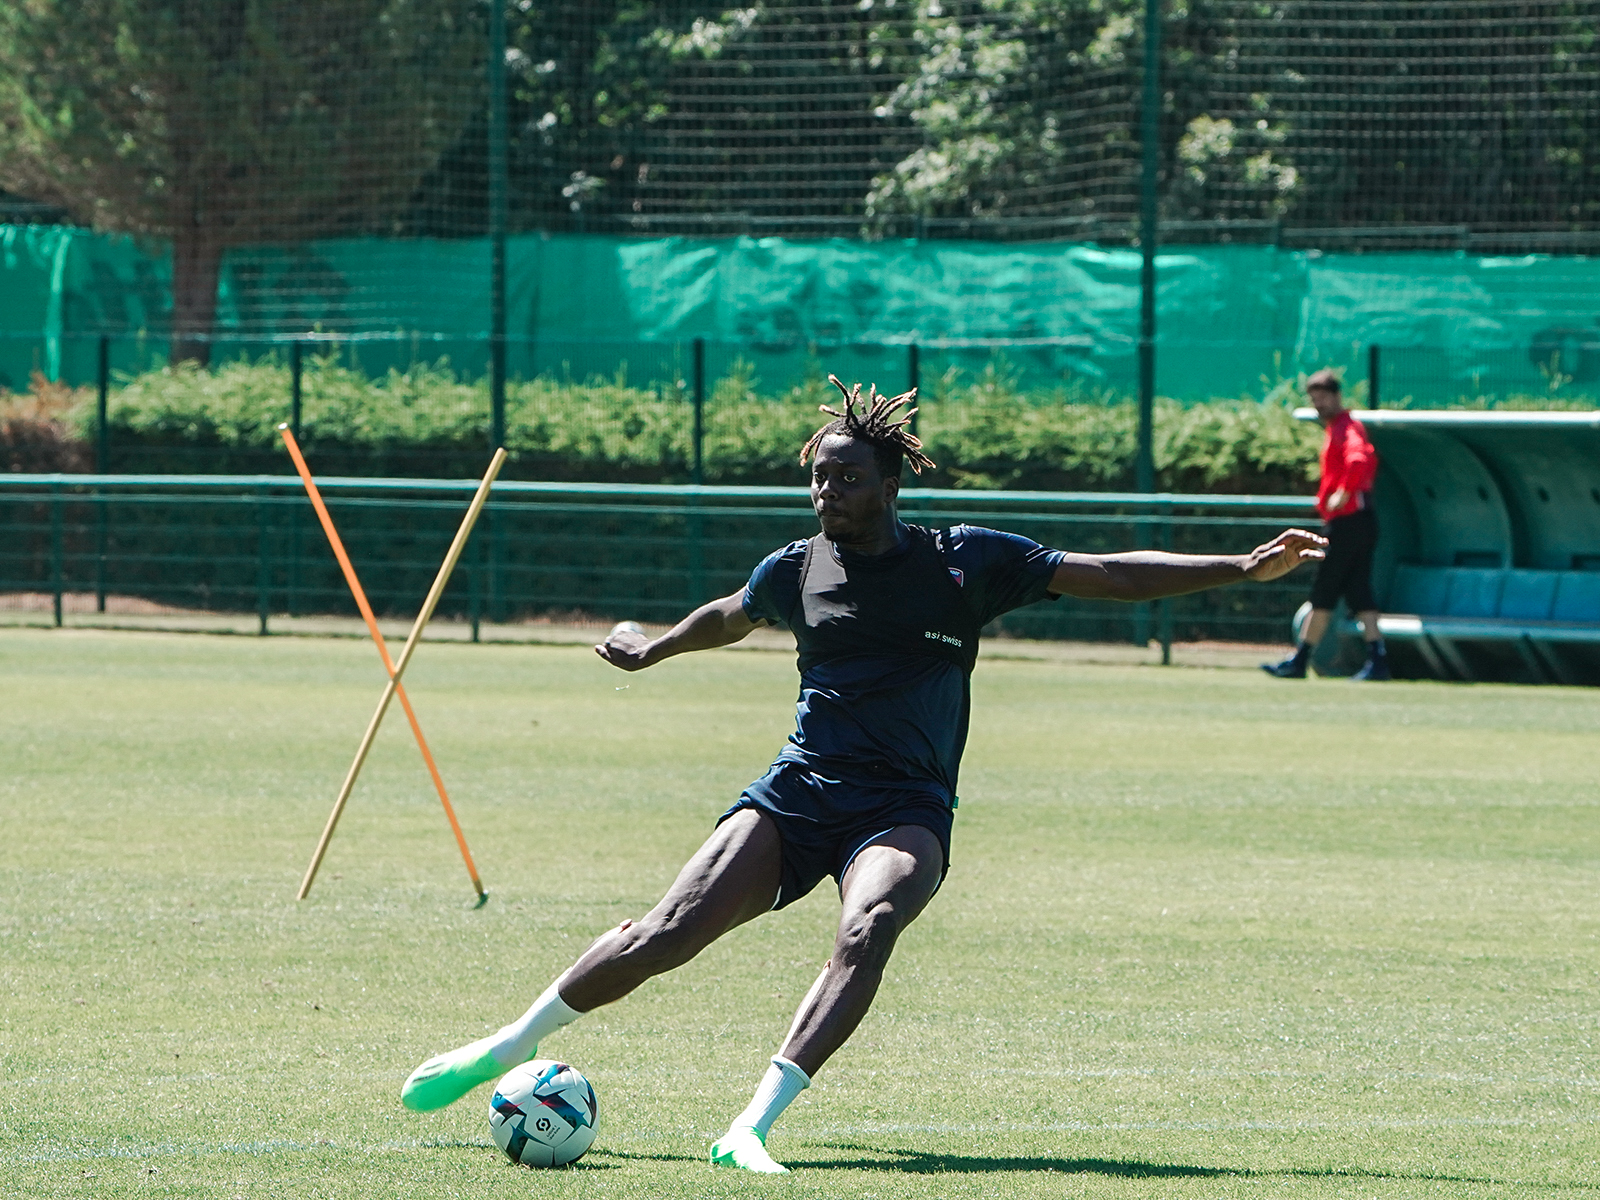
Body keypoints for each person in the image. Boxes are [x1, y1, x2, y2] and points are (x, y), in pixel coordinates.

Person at [400, 376, 1326, 1173]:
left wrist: (1242, 565)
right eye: (817, 475)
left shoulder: (964, 563)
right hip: (800, 789)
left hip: (908, 802)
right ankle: (506, 1047)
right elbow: (728, 613)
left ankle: (749, 1129)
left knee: (872, 919)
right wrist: (654, 648)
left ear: (891, 483)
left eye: (845, 476)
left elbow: (1110, 573)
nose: (825, 490)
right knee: (668, 933)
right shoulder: (796, 569)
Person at [1263, 368, 1388, 681]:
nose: (1319, 406)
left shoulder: (1348, 427)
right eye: (1314, 400)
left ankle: (1300, 659)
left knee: (1325, 590)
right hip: (1357, 523)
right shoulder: (1336, 428)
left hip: (1349, 523)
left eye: (1322, 399)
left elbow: (1360, 460)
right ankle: (1378, 659)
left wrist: (1343, 492)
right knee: (1359, 593)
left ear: (1336, 397)